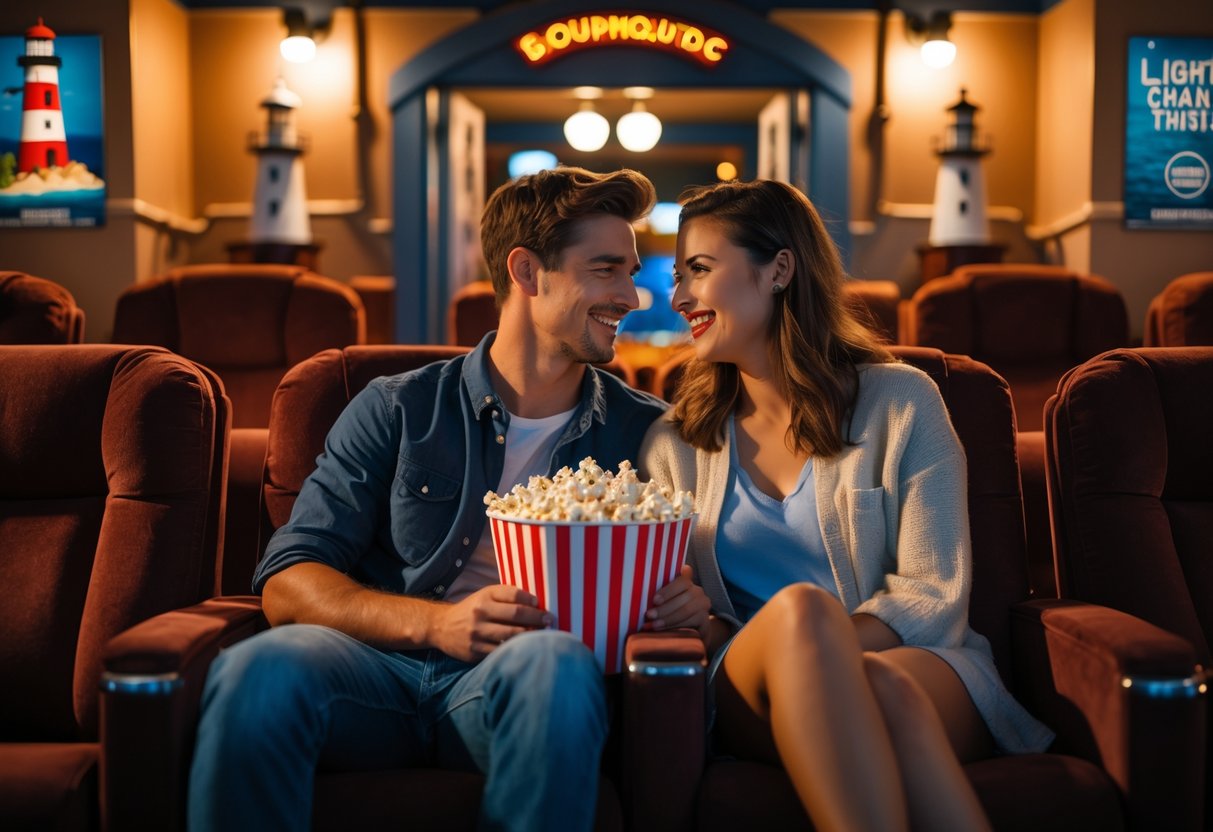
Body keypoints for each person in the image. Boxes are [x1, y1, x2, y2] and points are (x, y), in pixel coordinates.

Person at [188, 166, 710, 832]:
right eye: (605, 270)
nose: (631, 296)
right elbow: (289, 583)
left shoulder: (645, 432)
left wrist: (683, 602)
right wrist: (437, 624)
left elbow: (675, 579)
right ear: (526, 271)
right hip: (372, 672)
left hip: (514, 685)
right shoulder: (398, 407)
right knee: (257, 667)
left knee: (552, 663)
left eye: (629, 271)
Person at [639, 179, 1054, 832]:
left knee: (878, 685)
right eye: (677, 276)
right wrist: (706, 619)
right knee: (804, 615)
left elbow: (931, 592)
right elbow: (692, 614)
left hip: (917, 660)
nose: (679, 296)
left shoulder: (901, 401)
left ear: (778, 269)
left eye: (699, 270)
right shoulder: (673, 442)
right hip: (752, 677)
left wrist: (828, 655)